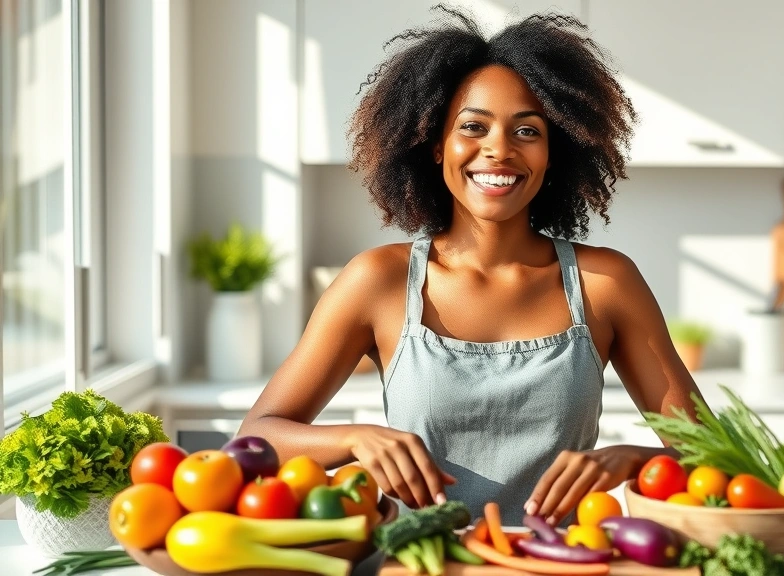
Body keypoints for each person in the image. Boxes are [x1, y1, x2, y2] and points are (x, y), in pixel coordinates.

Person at [237, 5, 705, 526]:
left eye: (527, 131)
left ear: (555, 152)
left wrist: (635, 459)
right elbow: (255, 439)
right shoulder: (379, 282)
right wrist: (353, 438)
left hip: (561, 564)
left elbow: (713, 454)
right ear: (438, 145)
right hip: (421, 562)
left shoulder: (604, 284)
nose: (499, 150)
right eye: (473, 127)